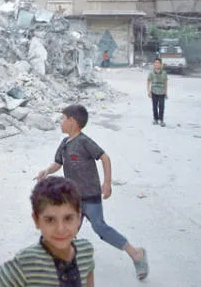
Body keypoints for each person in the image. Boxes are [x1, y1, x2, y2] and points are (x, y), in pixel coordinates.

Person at [36, 105, 148, 280]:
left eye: (63, 119)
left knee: (99, 227)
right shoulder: (64, 144)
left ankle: (136, 254)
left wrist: (107, 183)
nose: (60, 122)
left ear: (73, 121)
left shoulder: (84, 142)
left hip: (90, 196)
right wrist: (47, 171)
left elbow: (105, 157)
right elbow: (58, 163)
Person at [0, 176, 95, 287]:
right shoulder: (26, 262)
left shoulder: (85, 251)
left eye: (68, 218)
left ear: (78, 218)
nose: (60, 229)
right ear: (36, 220)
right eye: (50, 220)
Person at [147, 58, 168, 127]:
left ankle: (161, 120)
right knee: (154, 106)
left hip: (162, 92)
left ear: (161, 64)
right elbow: (148, 82)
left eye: (158, 63)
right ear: (154, 64)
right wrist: (149, 91)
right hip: (154, 92)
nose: (157, 64)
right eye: (155, 63)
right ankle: (155, 119)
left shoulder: (164, 73)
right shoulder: (151, 73)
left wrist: (166, 92)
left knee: (161, 106)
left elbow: (165, 83)